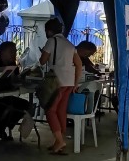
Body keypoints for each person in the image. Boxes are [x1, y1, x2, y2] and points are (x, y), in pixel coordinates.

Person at [39, 18, 82, 155]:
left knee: (50, 111)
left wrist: (43, 53)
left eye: (46, 31)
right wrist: (76, 82)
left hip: (57, 82)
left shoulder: (51, 41)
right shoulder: (70, 44)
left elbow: (42, 61)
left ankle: (60, 140)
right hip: (69, 82)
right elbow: (79, 64)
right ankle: (59, 141)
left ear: (49, 31)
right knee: (61, 111)